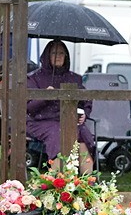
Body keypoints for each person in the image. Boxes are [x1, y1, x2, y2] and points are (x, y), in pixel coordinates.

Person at [26, 40, 96, 174]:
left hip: (69, 121)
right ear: (47, 55)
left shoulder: (74, 79)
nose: (58, 56)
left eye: (62, 53)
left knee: (83, 134)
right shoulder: (34, 78)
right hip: (40, 122)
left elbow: (86, 100)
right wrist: (46, 96)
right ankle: (58, 182)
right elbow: (29, 108)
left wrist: (84, 114)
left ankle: (88, 184)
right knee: (58, 134)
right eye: (54, 53)